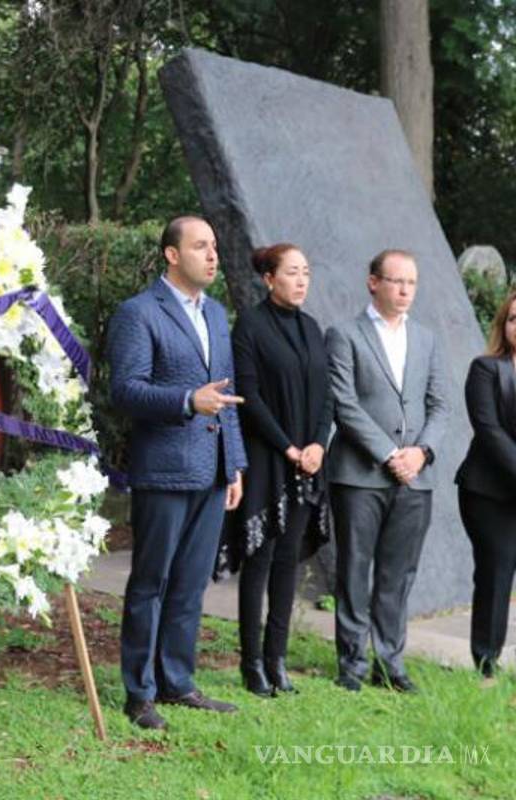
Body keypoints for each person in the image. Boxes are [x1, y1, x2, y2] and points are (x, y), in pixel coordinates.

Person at [106, 215, 248, 731]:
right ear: (172, 254)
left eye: (214, 247)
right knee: (151, 584)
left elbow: (227, 397)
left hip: (212, 472)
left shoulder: (216, 314)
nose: (212, 256)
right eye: (200, 246)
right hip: (164, 470)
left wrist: (234, 464)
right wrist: (188, 400)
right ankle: (139, 693)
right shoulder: (138, 313)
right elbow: (126, 390)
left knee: (189, 586)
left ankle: (177, 681)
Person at [325, 249, 450, 693]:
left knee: (399, 574)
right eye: (396, 281)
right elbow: (344, 404)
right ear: (373, 282)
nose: (404, 290)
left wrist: (422, 452)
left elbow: (440, 405)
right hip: (359, 474)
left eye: (411, 283)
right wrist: (388, 454)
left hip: (416, 477)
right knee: (354, 570)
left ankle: (390, 662)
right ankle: (353, 664)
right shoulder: (344, 335)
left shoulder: (427, 339)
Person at [225, 244, 332, 697]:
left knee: (288, 562)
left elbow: (327, 395)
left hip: (308, 461)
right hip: (269, 458)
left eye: (306, 271)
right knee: (261, 560)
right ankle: (252, 663)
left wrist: (317, 445)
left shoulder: (312, 328)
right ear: (269, 279)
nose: (301, 280)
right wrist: (288, 447)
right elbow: (248, 396)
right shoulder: (250, 325)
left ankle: (277, 659)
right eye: (292, 272)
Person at [455, 288, 516, 679]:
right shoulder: (486, 369)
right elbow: (489, 431)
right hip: (489, 494)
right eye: (513, 318)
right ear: (503, 325)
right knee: (497, 573)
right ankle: (486, 666)